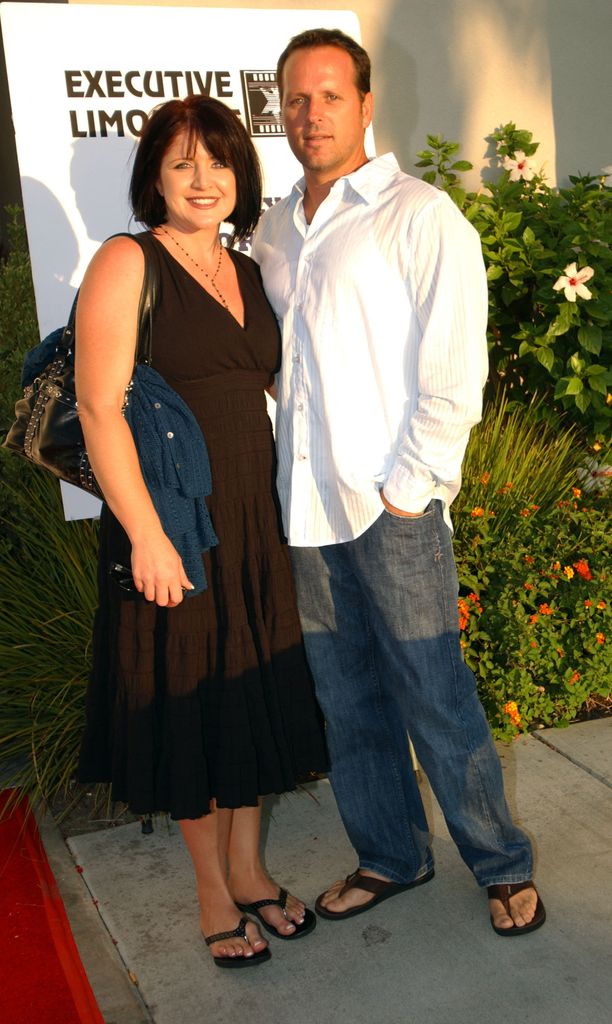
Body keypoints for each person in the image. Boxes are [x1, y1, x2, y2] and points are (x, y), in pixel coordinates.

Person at [251, 28, 545, 937]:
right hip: (307, 507)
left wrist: (411, 487)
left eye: (331, 95)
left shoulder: (419, 215)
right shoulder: (270, 229)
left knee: (433, 688)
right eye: (296, 99)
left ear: (367, 104)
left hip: (391, 504)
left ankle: (499, 863)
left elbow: (458, 368)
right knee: (348, 699)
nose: (312, 115)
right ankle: (391, 854)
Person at [75, 94, 328, 968]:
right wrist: (147, 535)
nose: (202, 179)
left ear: (239, 175)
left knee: (248, 687)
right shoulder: (126, 261)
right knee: (190, 700)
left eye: (217, 162)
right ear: (154, 176)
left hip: (254, 518)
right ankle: (213, 895)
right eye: (181, 163)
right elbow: (99, 410)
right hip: (174, 520)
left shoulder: (249, 266)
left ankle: (252, 870)